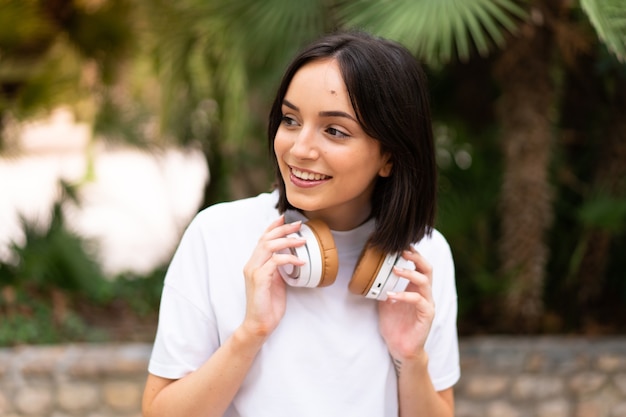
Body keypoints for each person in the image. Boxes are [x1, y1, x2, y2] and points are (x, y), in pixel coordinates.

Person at [142, 31, 460, 417]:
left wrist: (410, 357)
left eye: (334, 131)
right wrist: (250, 333)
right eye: (291, 120)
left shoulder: (423, 258)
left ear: (389, 157)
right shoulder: (217, 235)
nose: (299, 148)